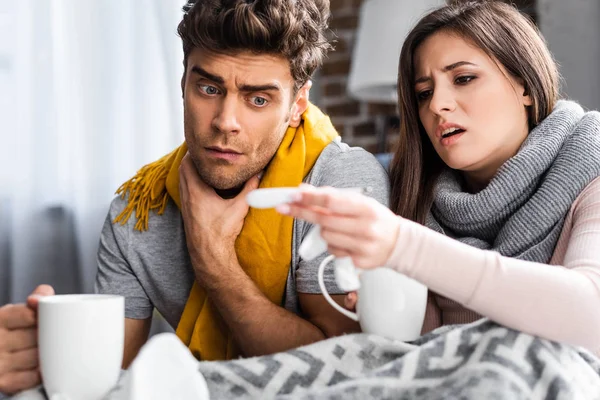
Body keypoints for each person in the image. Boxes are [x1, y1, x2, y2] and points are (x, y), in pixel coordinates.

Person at [0, 1, 388, 395]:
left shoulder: (340, 186)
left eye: (258, 99)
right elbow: (106, 379)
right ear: (183, 84)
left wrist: (213, 259)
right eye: (209, 88)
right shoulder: (137, 210)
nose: (225, 121)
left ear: (297, 105)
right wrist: (40, 357)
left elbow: (347, 369)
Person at [280, 0, 600, 357]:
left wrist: (404, 245)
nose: (437, 105)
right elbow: (413, 358)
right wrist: (383, 312)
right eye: (424, 93)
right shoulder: (414, 198)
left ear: (524, 84)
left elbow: (591, 316)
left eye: (463, 78)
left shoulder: (591, 162)